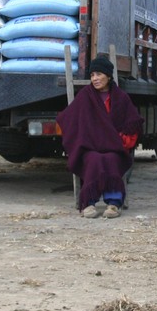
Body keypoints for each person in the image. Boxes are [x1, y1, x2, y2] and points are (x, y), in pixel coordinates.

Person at [56, 55, 144, 219]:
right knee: (93, 159)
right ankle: (88, 203)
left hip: (114, 147)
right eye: (92, 75)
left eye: (99, 74)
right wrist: (78, 140)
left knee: (111, 159)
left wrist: (121, 140)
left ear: (108, 76)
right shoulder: (85, 96)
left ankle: (114, 203)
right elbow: (67, 119)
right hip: (90, 147)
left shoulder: (121, 98)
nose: (95, 79)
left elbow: (133, 123)